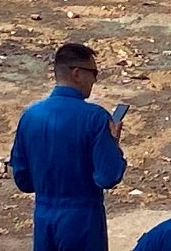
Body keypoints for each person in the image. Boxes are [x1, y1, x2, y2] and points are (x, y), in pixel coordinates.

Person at [10, 43, 127, 251]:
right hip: (82, 219)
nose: (95, 80)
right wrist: (113, 147)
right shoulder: (95, 117)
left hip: (44, 218)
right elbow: (107, 176)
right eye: (93, 73)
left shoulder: (30, 116)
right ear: (76, 74)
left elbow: (23, 181)